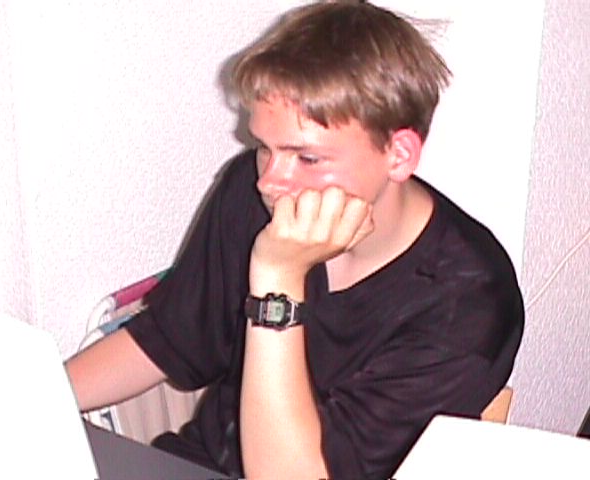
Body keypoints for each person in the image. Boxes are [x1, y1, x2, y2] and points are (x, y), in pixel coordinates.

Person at [66, 1, 524, 478]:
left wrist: (277, 280)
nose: (270, 181)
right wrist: (36, 395)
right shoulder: (254, 194)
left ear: (399, 154)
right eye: (264, 148)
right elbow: (168, 340)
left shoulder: (469, 302)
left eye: (307, 158)